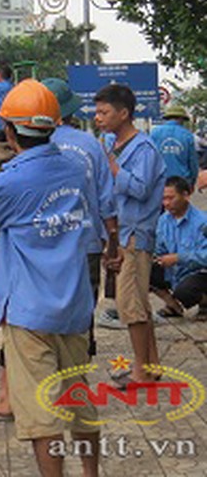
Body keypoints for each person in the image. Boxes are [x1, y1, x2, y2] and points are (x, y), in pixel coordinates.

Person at [0, 79, 100, 477]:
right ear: (53, 127)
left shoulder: (11, 180)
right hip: (74, 307)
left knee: (43, 414)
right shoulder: (76, 170)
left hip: (30, 313)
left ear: (8, 132)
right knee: (78, 399)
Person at [0, 78, 119, 423]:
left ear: (11, 130)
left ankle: (14, 398)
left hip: (34, 278)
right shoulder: (88, 148)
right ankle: (75, 397)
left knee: (31, 339)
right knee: (76, 337)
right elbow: (105, 200)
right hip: (82, 252)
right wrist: (112, 241)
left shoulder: (21, 164)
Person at [94, 83, 165, 386]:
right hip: (120, 234)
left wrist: (113, 170)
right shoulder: (111, 142)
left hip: (135, 233)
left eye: (104, 112)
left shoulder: (143, 148)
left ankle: (140, 371)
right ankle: (151, 364)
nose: (99, 117)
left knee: (130, 305)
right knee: (138, 303)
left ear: (124, 114)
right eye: (97, 112)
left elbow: (140, 188)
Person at [151, 176, 207, 318]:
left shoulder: (202, 222)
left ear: (186, 196)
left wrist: (179, 258)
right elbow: (159, 249)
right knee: (142, 269)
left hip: (198, 272)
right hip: (174, 273)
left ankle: (204, 302)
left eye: (171, 198)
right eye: (164, 199)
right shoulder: (163, 221)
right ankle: (173, 305)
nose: (167, 203)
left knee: (186, 290)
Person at [150, 105, 199, 184]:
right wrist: (193, 181)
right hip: (181, 181)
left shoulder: (154, 133)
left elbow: (149, 158)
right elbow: (192, 161)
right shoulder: (187, 135)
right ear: (181, 118)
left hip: (159, 180)